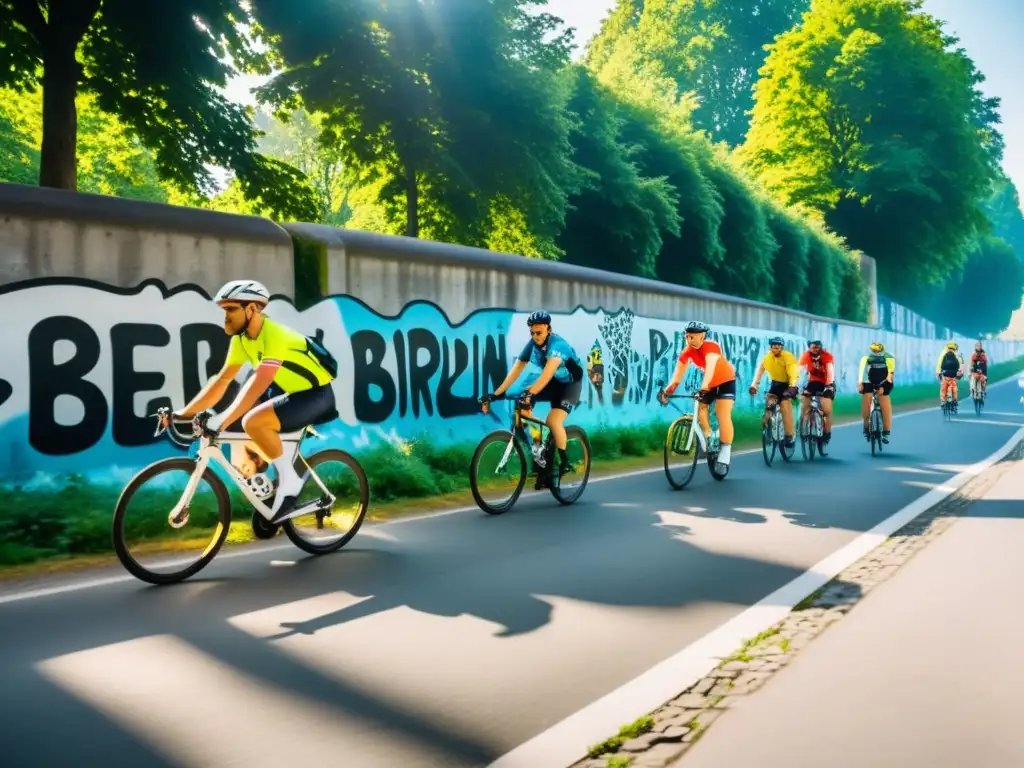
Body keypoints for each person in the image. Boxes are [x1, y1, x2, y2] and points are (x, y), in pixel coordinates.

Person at [174, 280, 338, 524]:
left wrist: (222, 419)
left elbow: (259, 382)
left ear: (251, 309)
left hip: (316, 395)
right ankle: (273, 493)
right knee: (241, 422)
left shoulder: (275, 335)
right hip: (289, 392)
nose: (226, 317)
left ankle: (290, 482)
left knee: (253, 420)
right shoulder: (242, 341)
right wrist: (184, 414)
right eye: (224, 311)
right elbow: (222, 380)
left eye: (231, 310)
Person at [486, 310, 585, 490]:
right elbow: (515, 370)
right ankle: (540, 456)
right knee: (522, 409)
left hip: (569, 386)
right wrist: (496, 393)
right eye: (532, 333)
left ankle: (564, 462)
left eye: (539, 333)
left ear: (548, 329)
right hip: (552, 382)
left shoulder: (558, 346)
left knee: (553, 421)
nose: (535, 337)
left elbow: (546, 374)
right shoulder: (532, 344)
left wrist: (531, 393)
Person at [658, 321, 737, 471]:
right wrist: (667, 392)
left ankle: (725, 450)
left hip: (726, 380)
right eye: (687, 336)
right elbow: (677, 376)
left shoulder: (711, 347)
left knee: (722, 412)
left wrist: (704, 387)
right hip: (710, 385)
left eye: (693, 336)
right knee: (701, 409)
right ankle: (709, 439)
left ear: (702, 336)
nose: (689, 340)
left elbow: (710, 368)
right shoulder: (686, 352)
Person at [748, 337, 799, 448]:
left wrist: (792, 386)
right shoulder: (767, 358)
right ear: (770, 347)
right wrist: (754, 386)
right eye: (774, 345)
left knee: (785, 407)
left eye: (779, 345)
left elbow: (793, 371)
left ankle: (790, 435)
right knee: (769, 406)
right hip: (775, 386)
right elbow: (759, 372)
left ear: (782, 347)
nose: (776, 347)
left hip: (787, 386)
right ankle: (767, 432)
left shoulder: (788, 357)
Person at [798, 339, 836, 444]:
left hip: (826, 383)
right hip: (812, 383)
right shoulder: (805, 356)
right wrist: (798, 386)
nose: (816, 349)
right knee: (805, 407)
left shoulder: (827, 356)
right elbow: (800, 372)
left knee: (826, 410)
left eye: (818, 347)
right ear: (809, 348)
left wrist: (829, 386)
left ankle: (827, 433)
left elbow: (830, 372)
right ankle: (804, 429)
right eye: (814, 347)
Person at [858, 341, 895, 443]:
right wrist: (860, 382)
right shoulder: (867, 357)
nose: (876, 353)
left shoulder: (888, 357)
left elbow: (890, 373)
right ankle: (866, 426)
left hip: (884, 380)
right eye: (874, 351)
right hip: (870, 380)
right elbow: (862, 370)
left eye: (878, 351)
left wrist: (886, 383)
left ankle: (886, 431)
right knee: (866, 401)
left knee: (884, 403)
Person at [935, 341, 964, 410]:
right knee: (954, 388)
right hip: (953, 375)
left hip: (945, 374)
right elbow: (961, 364)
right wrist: (960, 373)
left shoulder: (943, 353)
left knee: (943, 388)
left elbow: (939, 364)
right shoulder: (957, 354)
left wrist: (938, 373)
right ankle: (955, 401)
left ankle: (943, 401)